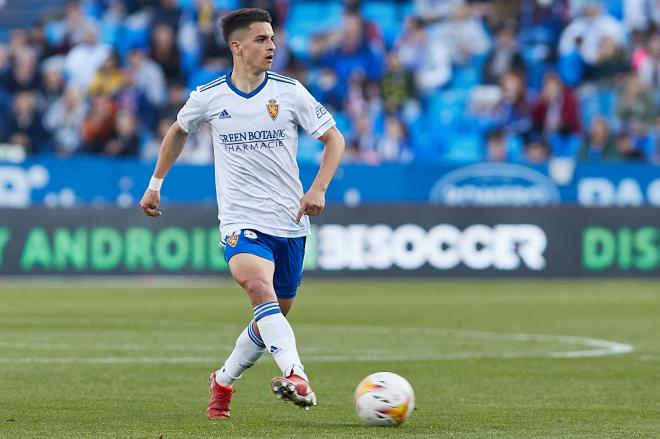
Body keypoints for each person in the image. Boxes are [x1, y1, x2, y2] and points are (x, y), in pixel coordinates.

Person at [139, 8, 345, 419]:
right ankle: (297, 375)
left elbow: (334, 139)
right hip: (240, 222)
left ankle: (222, 381)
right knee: (258, 290)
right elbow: (178, 130)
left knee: (272, 316)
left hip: (290, 223)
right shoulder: (209, 96)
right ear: (237, 47)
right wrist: (155, 184)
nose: (272, 46)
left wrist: (318, 188)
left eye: (272, 38)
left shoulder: (290, 92)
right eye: (261, 39)